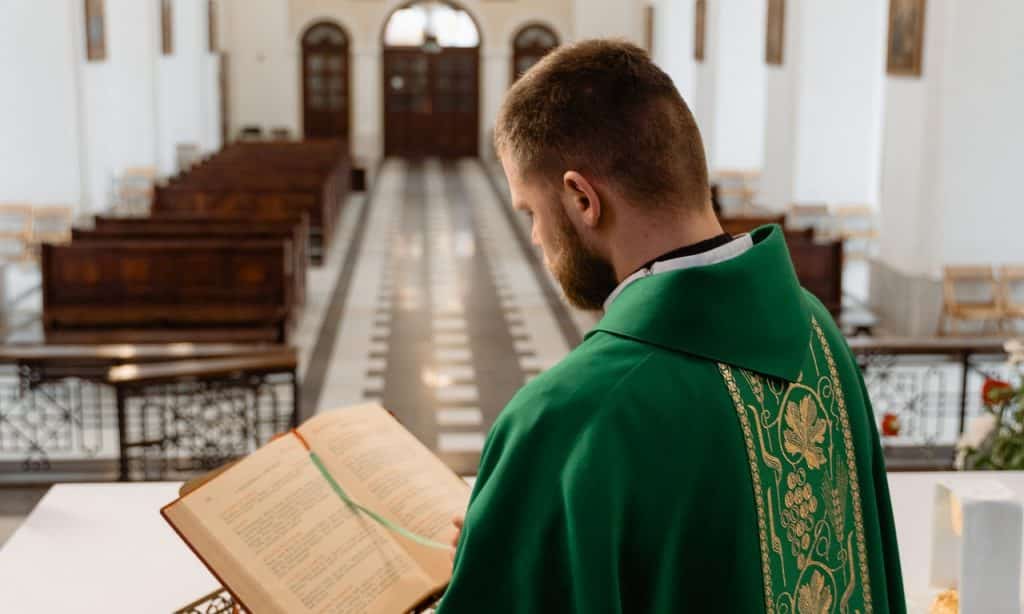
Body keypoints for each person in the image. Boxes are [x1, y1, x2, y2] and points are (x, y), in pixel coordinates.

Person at [438, 40, 905, 613]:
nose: (536, 238)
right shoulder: (817, 334)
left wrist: (494, 563)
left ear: (582, 198)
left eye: (531, 212)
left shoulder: (571, 416)